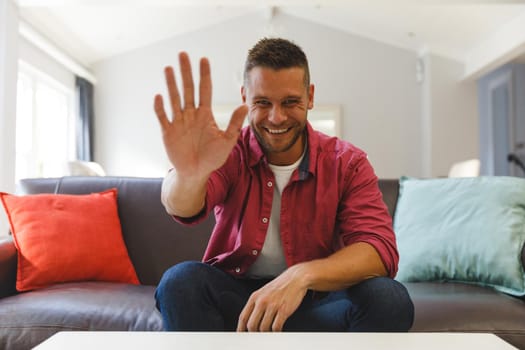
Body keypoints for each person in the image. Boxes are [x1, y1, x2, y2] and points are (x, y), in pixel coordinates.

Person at [153, 37, 414, 332]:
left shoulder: (348, 162)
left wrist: (300, 276)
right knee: (180, 282)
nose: (277, 117)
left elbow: (379, 250)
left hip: (318, 300)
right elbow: (180, 206)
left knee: (389, 298)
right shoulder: (227, 151)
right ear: (244, 97)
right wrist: (189, 175)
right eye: (263, 103)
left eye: (290, 102)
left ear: (310, 96)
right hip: (240, 302)